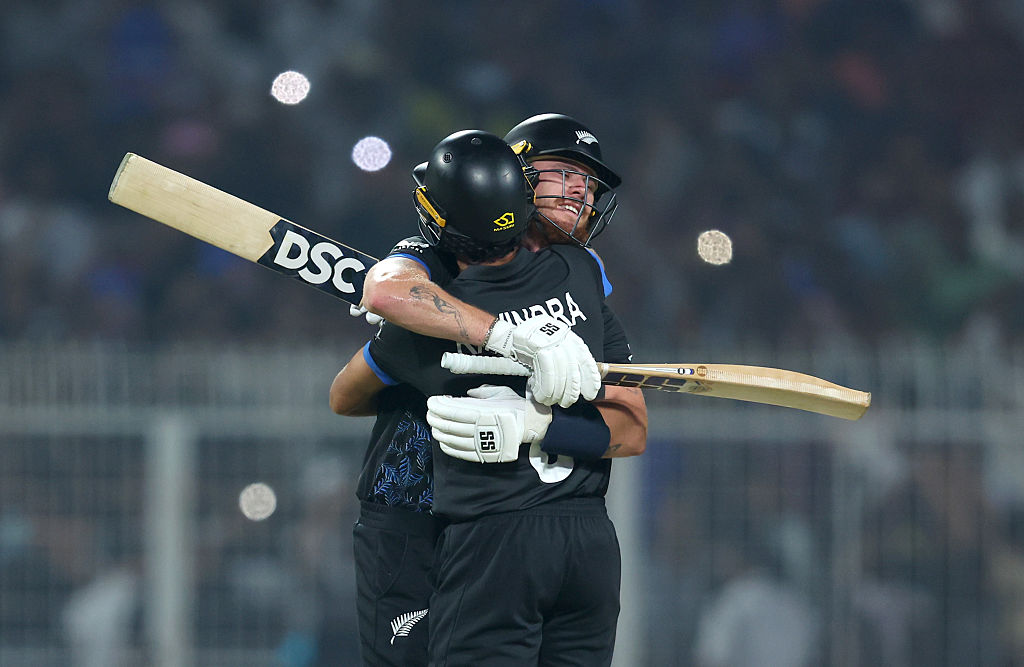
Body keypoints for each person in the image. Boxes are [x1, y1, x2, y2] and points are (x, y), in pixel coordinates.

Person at [332, 118, 646, 665]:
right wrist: (500, 336)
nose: (580, 192)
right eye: (564, 172)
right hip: (410, 512)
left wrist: (537, 426)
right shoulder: (435, 261)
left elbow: (631, 425)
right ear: (517, 176)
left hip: (496, 526)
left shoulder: (580, 270)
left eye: (588, 183)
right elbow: (386, 292)